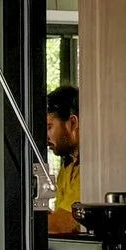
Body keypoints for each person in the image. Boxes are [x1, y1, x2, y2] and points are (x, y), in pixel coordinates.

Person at [44, 85, 81, 235]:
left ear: (72, 123)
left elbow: (62, 225)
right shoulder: (67, 166)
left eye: (49, 127)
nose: (45, 137)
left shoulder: (91, 170)